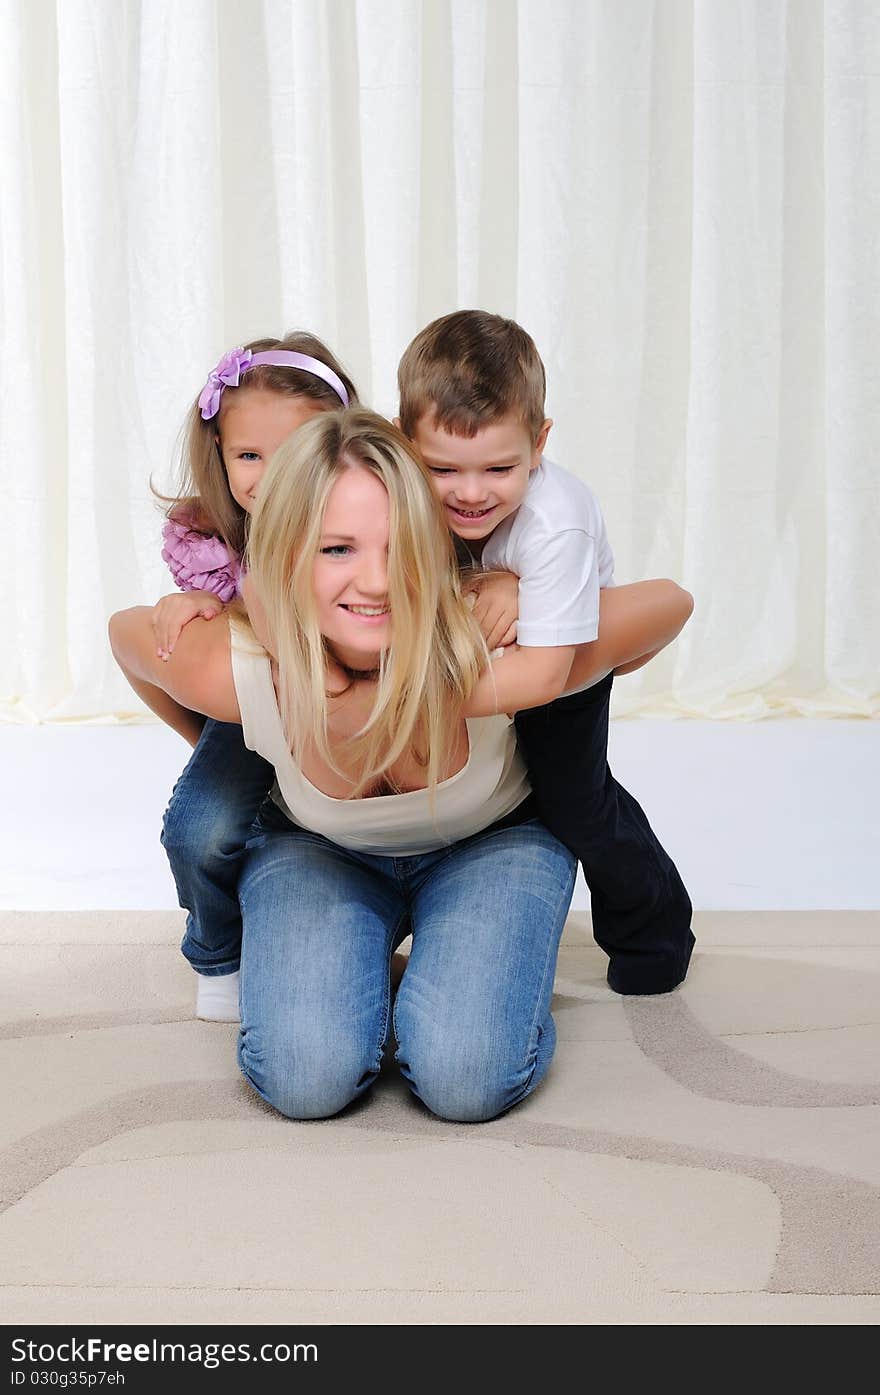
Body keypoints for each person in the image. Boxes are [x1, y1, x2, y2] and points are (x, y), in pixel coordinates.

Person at [109, 409, 692, 1122]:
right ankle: (384, 965)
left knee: (466, 1079)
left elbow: (671, 603)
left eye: (399, 548)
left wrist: (537, 611)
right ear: (287, 552)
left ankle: (473, 969)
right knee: (304, 1078)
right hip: (317, 852)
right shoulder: (238, 667)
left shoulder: (495, 640)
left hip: (495, 843)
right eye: (336, 549)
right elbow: (126, 640)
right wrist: (242, 732)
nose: (377, 581)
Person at [397, 310, 695, 994]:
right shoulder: (400, 488)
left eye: (499, 468)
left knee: (572, 800)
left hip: (559, 660)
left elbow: (544, 673)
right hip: (474, 652)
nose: (471, 493)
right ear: (405, 444)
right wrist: (488, 583)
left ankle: (654, 927)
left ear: (539, 443)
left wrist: (415, 702)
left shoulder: (556, 522)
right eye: (443, 468)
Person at [150, 332, 358, 1021]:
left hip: (347, 706)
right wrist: (196, 605)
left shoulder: (368, 519)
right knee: (199, 827)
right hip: (254, 702)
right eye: (248, 455)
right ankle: (218, 947)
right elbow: (198, 644)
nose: (269, 476)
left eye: (293, 454)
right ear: (219, 453)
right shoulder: (213, 536)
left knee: (332, 837)